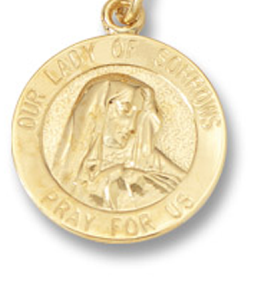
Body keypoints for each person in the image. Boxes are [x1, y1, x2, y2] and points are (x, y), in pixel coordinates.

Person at [52, 74, 184, 210]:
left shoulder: (140, 153)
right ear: (101, 111)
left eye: (138, 117)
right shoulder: (77, 164)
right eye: (125, 111)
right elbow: (75, 193)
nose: (132, 126)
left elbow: (185, 183)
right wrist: (116, 174)